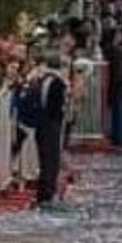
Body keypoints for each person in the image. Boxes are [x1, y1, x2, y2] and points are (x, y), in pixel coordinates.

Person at [34, 51, 69, 209]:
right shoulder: (58, 83)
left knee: (45, 158)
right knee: (51, 159)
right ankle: (47, 193)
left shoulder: (42, 80)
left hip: (42, 123)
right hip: (51, 124)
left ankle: (44, 192)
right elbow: (58, 106)